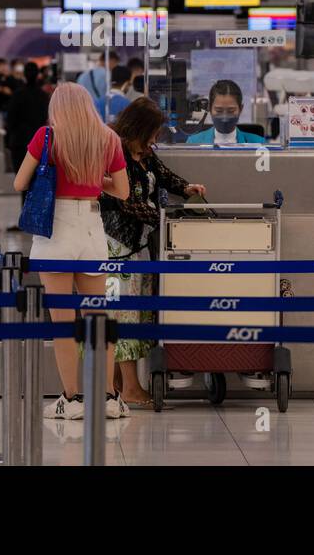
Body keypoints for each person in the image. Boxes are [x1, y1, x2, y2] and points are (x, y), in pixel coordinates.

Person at [14, 82, 130, 421]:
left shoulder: (46, 137)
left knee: (63, 323)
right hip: (92, 229)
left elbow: (20, 183)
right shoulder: (108, 138)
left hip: (56, 232)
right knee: (99, 320)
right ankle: (109, 397)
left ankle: (72, 399)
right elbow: (122, 191)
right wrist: (95, 182)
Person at [100, 97, 207, 408]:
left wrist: (187, 188)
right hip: (116, 245)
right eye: (154, 132)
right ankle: (131, 389)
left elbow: (164, 175)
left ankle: (116, 388)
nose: (156, 138)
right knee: (125, 315)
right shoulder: (115, 152)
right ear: (139, 127)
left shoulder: (144, 153)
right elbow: (126, 203)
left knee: (132, 313)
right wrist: (167, 218)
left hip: (139, 244)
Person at [6, 62, 51, 231]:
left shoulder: (18, 94)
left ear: (24, 74)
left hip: (20, 143)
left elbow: (10, 120)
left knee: (23, 180)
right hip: (41, 143)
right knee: (38, 180)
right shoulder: (43, 95)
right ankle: (37, 218)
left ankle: (25, 218)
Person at [187, 79, 264, 144]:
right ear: (209, 108)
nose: (224, 118)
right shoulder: (194, 142)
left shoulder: (258, 142)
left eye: (231, 111)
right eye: (219, 110)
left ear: (241, 109)